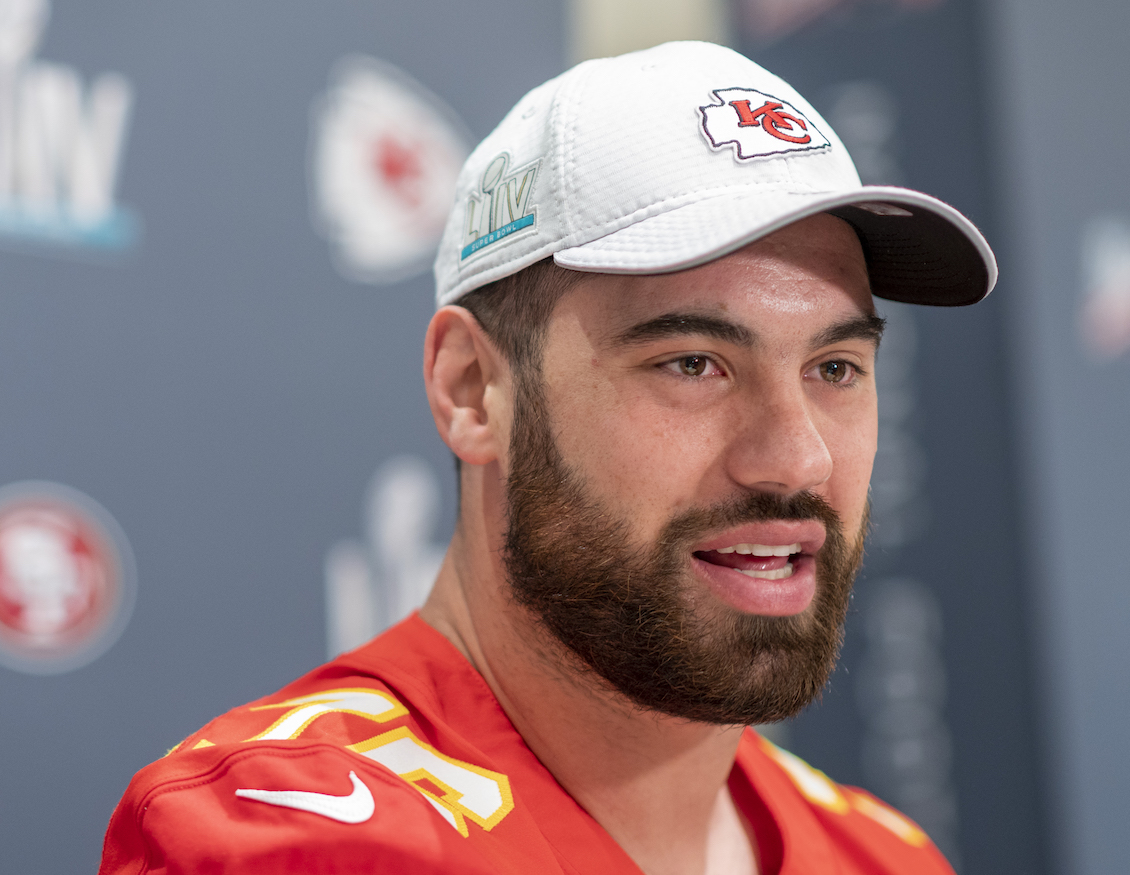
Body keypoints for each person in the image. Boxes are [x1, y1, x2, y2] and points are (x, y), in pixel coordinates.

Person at [99, 40, 995, 875]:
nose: (795, 458)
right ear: (470, 388)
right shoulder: (279, 836)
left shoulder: (883, 856)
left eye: (835, 368)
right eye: (694, 364)